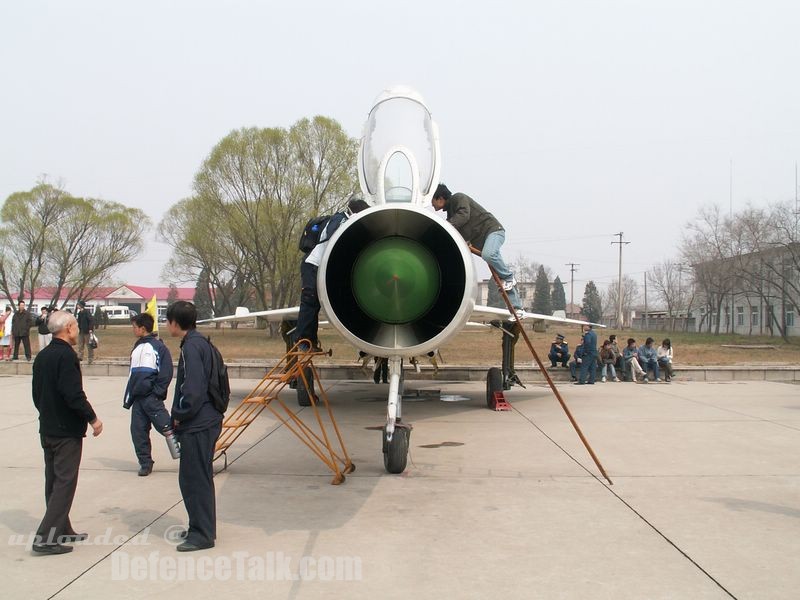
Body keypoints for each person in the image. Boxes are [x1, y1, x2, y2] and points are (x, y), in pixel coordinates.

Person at [31, 310, 103, 554]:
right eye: (75, 326)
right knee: (65, 482)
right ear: (70, 328)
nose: (77, 331)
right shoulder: (66, 356)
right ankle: (46, 537)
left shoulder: (43, 356)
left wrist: (48, 414)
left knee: (53, 480)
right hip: (65, 432)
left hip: (48, 428)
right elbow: (73, 394)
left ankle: (62, 528)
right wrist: (92, 418)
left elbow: (36, 394)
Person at [166, 300, 223, 552]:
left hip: (198, 423)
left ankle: (202, 534)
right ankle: (200, 526)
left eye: (168, 321)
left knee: (194, 479)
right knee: (200, 477)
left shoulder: (191, 348)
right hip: (207, 419)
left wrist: (179, 413)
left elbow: (193, 388)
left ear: (175, 323)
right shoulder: (202, 343)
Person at [431, 184, 523, 315]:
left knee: (490, 256)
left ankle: (510, 277)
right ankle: (517, 308)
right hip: (484, 242)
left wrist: (446, 226)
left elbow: (463, 215)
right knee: (499, 273)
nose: (432, 205)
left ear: (440, 198)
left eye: (432, 201)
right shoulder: (451, 213)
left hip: (493, 231)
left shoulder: (458, 198)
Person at [294, 196, 370, 349]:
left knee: (313, 304)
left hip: (318, 267)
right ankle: (303, 341)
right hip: (313, 265)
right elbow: (334, 237)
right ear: (356, 212)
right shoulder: (339, 220)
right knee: (310, 301)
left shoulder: (341, 219)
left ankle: (309, 341)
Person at [124, 313, 174, 476]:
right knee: (138, 432)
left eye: (134, 327)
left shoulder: (158, 347)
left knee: (168, 429)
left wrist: (157, 392)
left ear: (142, 328)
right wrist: (129, 397)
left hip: (151, 399)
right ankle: (145, 463)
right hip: (138, 400)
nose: (133, 330)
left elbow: (166, 372)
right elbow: (132, 374)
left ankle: (190, 456)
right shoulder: (137, 346)